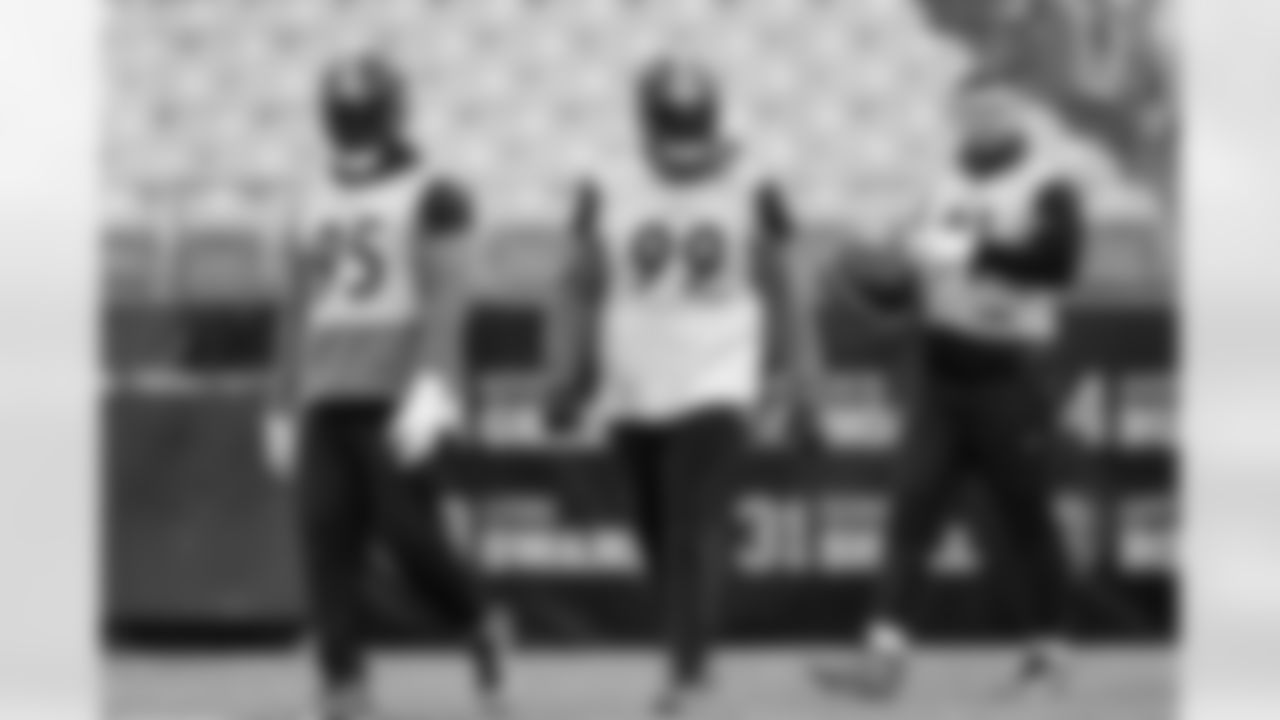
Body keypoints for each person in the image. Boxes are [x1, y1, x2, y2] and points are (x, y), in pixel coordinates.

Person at [546, 55, 808, 716]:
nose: (683, 143)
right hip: (634, 376)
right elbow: (577, 284)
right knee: (656, 530)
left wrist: (793, 374)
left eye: (691, 125)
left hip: (720, 372)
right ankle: (693, 648)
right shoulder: (604, 186)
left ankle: (685, 673)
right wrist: (565, 374)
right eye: (672, 125)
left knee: (690, 524)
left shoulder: (756, 186)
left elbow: (786, 287)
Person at [814, 82, 1085, 700]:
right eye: (972, 110)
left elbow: (1059, 263)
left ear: (1017, 112)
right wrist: (867, 276)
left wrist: (970, 248)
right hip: (941, 372)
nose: (983, 120)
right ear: (956, 117)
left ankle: (1050, 651)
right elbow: (908, 284)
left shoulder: (1048, 182)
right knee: (912, 514)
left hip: (1011, 369)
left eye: (995, 107)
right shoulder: (939, 185)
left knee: (1024, 520)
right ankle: (883, 657)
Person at [261, 51, 510, 720]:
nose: (355, 124)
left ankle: (479, 616)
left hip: (401, 395)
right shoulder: (308, 196)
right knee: (325, 540)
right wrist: (282, 403)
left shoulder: (437, 193)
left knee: (412, 540)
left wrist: (434, 387)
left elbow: (448, 298)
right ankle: (343, 686)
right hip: (327, 393)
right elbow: (297, 305)